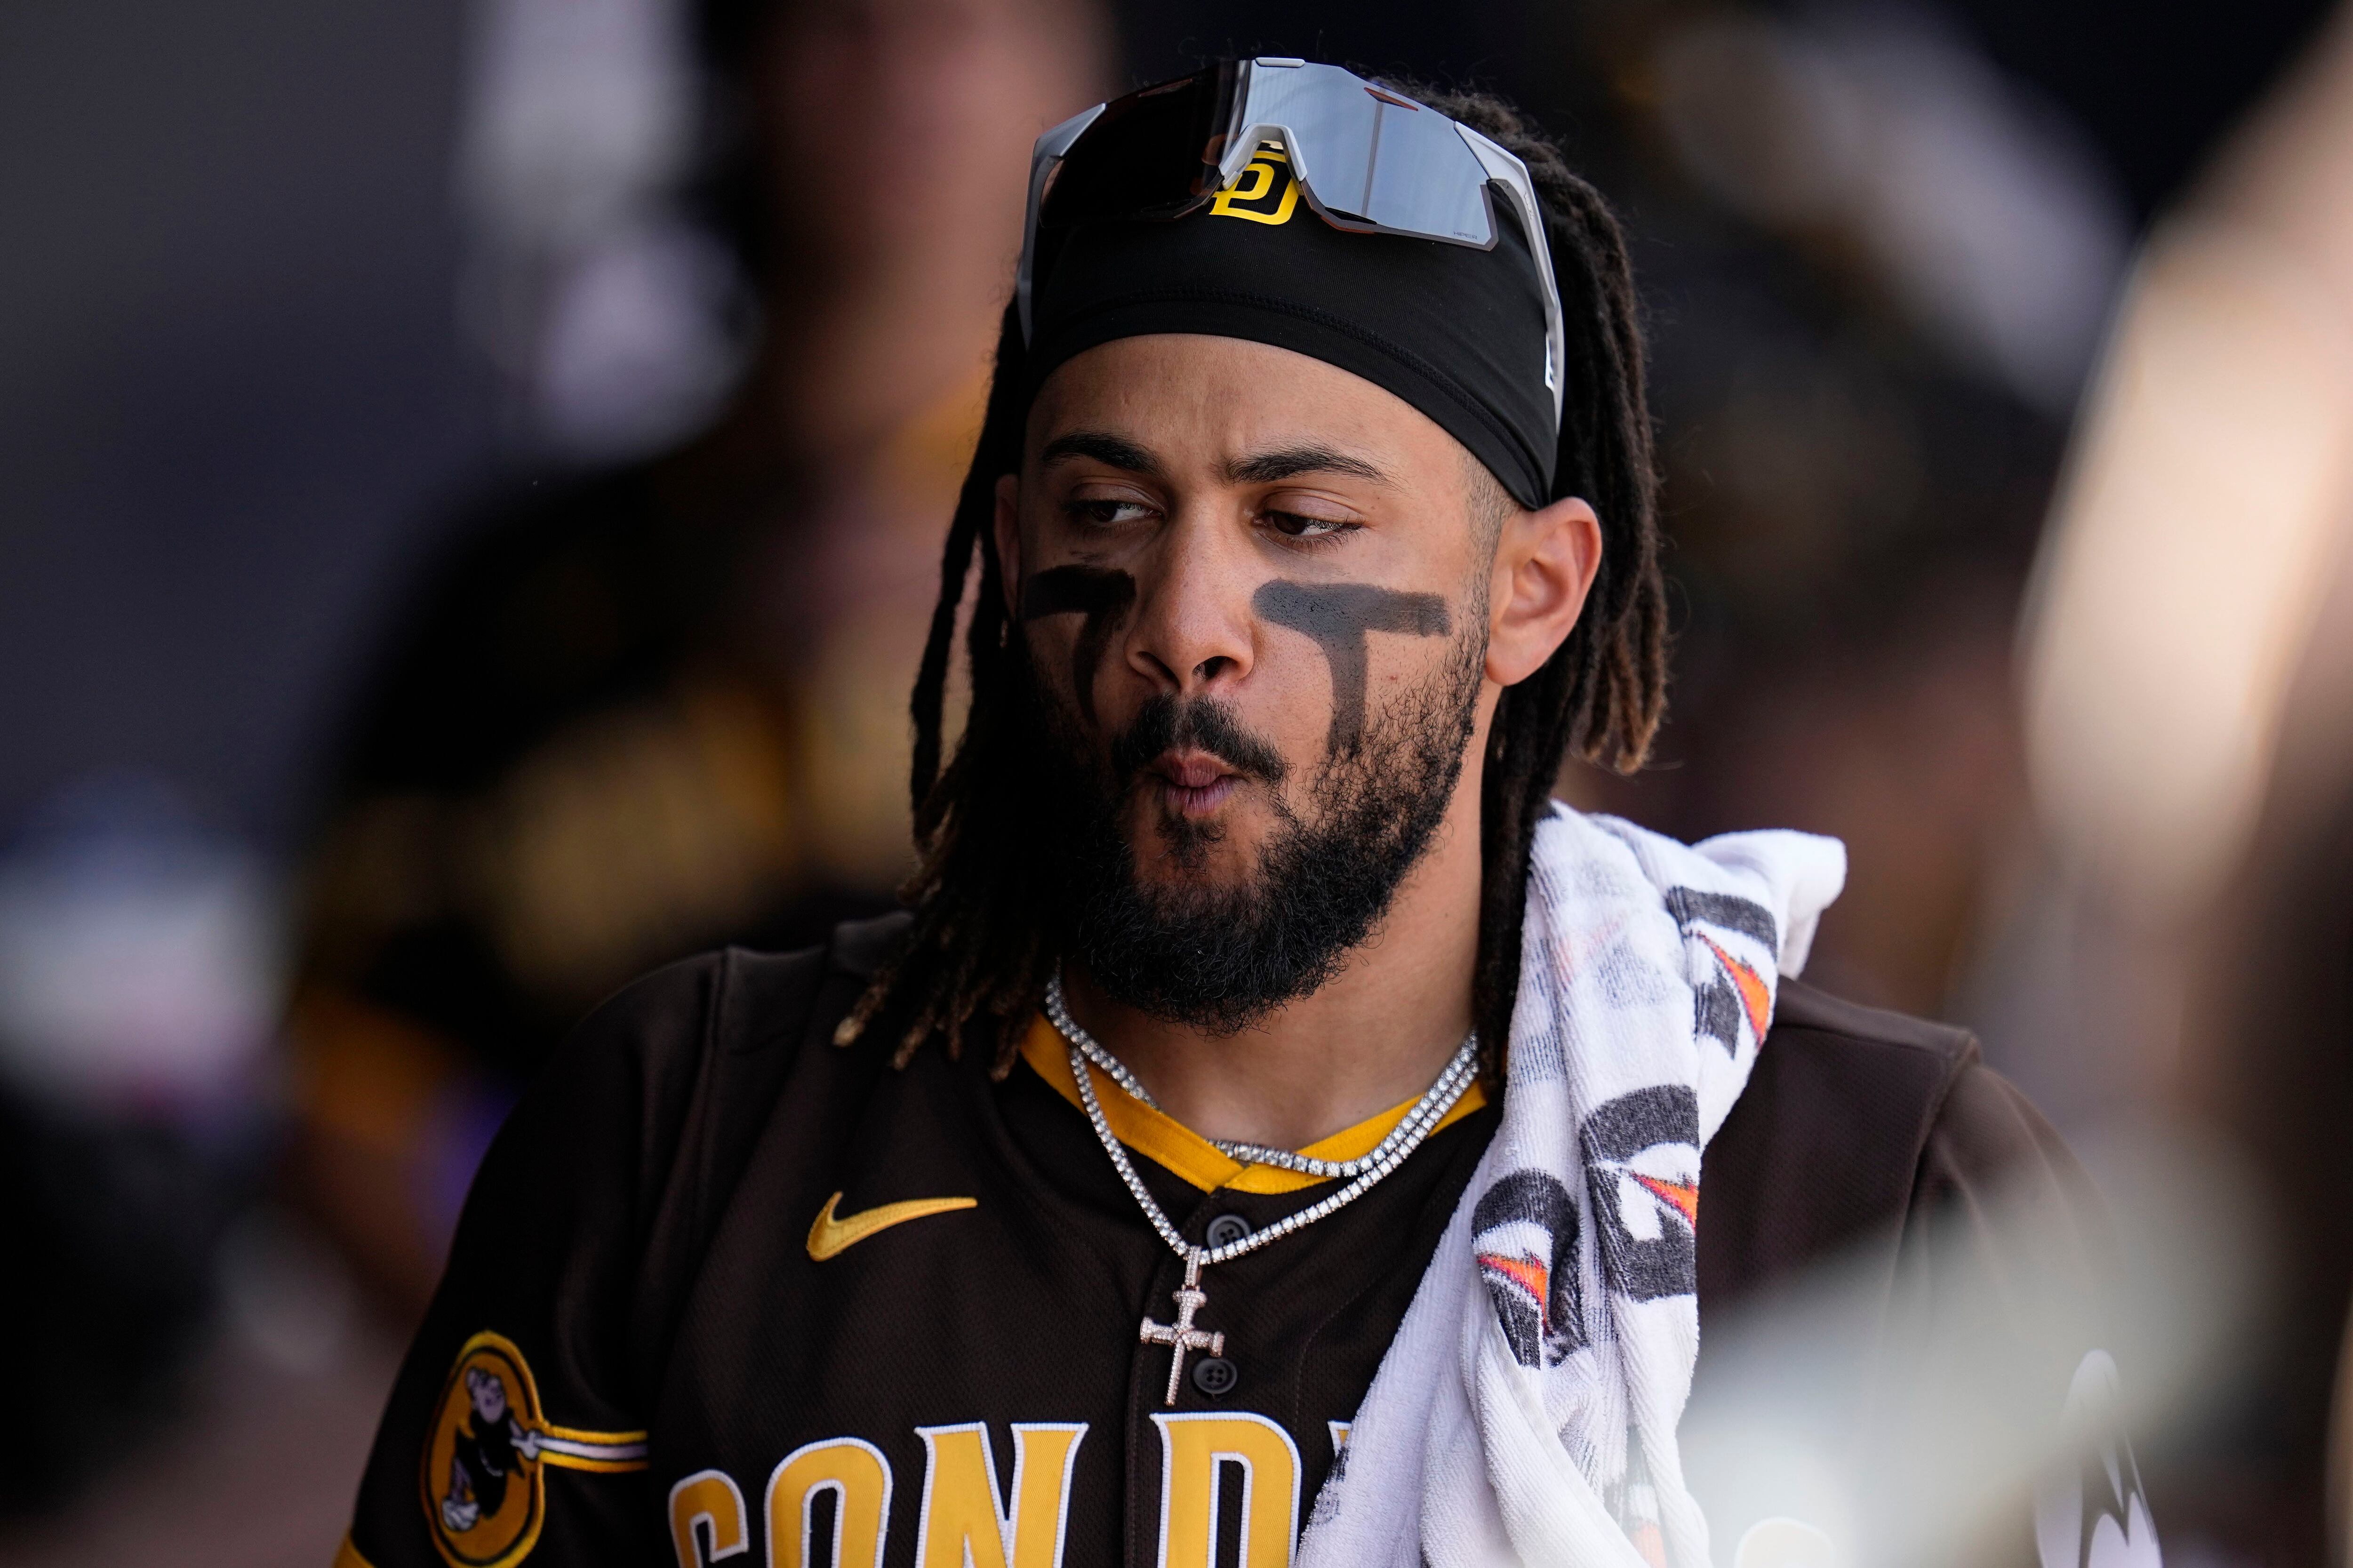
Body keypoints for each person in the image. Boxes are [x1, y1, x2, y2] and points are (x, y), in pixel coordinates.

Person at [337, 63, 2150, 1568]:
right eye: (1109, 510)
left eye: (1302, 521)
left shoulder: (1869, 1188)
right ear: (1005, 553)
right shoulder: (686, 1133)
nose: (1184, 621)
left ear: (1535, 590)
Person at [286, 0, 1104, 1313]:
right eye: (845, 22)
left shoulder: (1193, 564)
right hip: (667, 1457)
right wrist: (568, 1396)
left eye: (963, 20)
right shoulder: (526, 594)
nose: (903, 74)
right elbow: (346, 1100)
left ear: (1086, 59)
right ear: (744, 66)